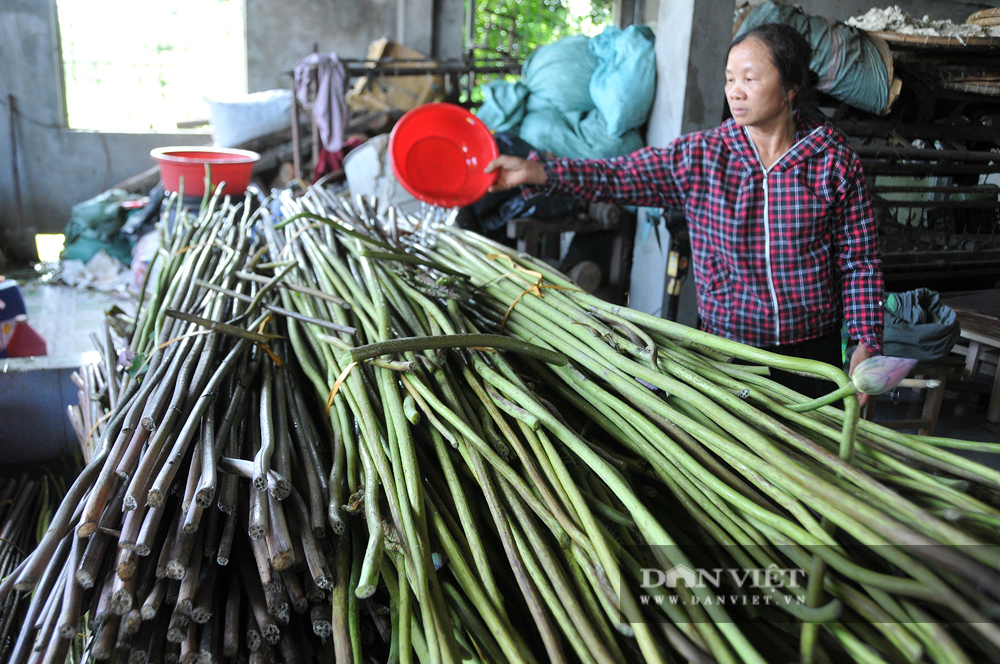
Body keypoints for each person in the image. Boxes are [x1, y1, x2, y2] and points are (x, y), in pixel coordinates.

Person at [483, 22, 884, 404]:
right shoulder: (705, 157)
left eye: (750, 78)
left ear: (791, 86)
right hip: (729, 354)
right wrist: (539, 171)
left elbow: (859, 260)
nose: (735, 91)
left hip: (813, 354)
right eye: (729, 78)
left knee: (811, 461)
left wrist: (867, 342)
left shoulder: (832, 161)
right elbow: (618, 175)